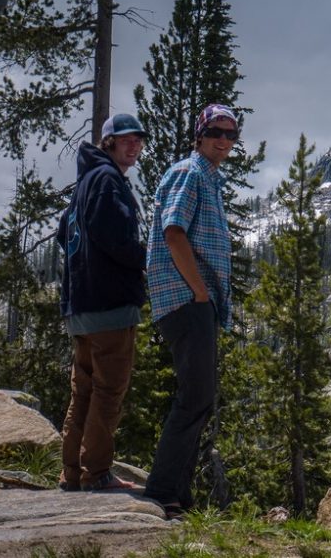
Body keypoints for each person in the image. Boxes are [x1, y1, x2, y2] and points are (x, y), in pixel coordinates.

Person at [144, 103, 238, 519]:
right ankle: (162, 491)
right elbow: (173, 230)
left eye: (231, 135)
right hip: (186, 299)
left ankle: (178, 495)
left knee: (199, 397)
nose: (224, 140)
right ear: (199, 135)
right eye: (216, 132)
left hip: (195, 301)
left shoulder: (208, 178)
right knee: (194, 396)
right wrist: (199, 291)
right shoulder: (189, 172)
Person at [57, 113, 148, 491]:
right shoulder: (109, 181)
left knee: (84, 391)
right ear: (108, 142)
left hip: (81, 305)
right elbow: (116, 238)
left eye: (139, 139)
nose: (135, 145)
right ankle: (97, 474)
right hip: (109, 305)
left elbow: (65, 233)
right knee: (108, 392)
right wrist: (146, 259)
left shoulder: (85, 182)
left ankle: (71, 473)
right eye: (126, 139)